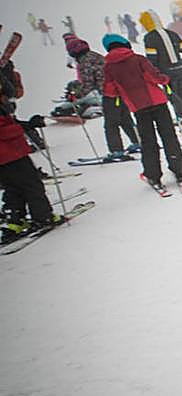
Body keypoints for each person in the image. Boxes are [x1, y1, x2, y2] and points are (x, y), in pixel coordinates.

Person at [100, 34, 182, 191]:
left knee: (148, 142)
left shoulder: (109, 67)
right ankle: (178, 168)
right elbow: (154, 77)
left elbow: (110, 91)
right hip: (158, 103)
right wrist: (164, 78)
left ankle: (152, 174)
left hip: (138, 108)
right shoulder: (138, 59)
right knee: (168, 135)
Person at [0, 75, 57, 243]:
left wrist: (26, 124)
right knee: (31, 185)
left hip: (7, 158)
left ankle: (15, 219)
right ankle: (43, 216)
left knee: (13, 187)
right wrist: (22, 127)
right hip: (11, 155)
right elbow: (4, 131)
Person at [63, 34, 139, 160]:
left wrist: (76, 95)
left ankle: (116, 151)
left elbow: (88, 84)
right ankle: (138, 141)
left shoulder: (84, 63)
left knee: (111, 124)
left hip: (109, 94)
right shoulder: (97, 56)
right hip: (120, 91)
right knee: (125, 119)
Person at [139, 11, 182, 120]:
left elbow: (152, 58)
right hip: (179, 68)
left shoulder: (150, 37)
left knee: (172, 94)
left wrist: (154, 71)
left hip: (166, 72)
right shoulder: (172, 33)